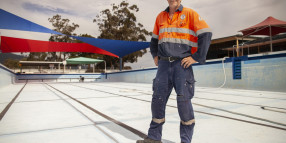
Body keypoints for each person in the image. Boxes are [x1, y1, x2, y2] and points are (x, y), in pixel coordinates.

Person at [137, 0, 212, 143]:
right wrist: (155, 56)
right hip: (164, 65)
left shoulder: (190, 14)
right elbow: (154, 40)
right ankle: (154, 138)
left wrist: (196, 57)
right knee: (157, 100)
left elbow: (206, 34)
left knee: (184, 103)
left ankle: (185, 140)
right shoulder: (160, 16)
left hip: (181, 65)